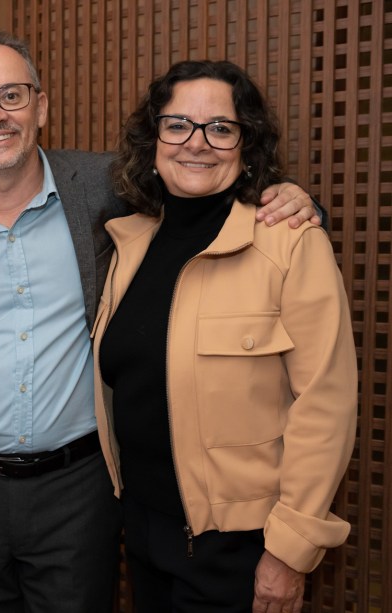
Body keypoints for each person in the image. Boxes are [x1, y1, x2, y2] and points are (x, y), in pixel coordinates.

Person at [0, 29, 322, 613]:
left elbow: (208, 179)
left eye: (11, 95)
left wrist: (295, 200)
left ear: (42, 105)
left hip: (79, 489)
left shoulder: (108, 187)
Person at [93, 59, 357, 612]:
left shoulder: (288, 242)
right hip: (141, 529)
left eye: (220, 128)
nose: (197, 143)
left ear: (246, 144)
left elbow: (325, 404)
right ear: (153, 138)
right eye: (177, 124)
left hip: (241, 546)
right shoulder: (130, 243)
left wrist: (289, 551)